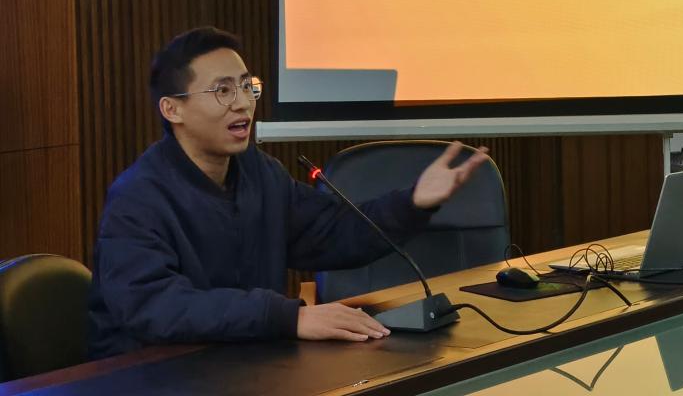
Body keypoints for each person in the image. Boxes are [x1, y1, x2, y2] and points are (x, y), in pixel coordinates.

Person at [87, 27, 489, 359]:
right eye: (222, 91)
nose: (243, 104)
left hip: (242, 361)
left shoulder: (259, 173)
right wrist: (285, 317)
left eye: (246, 86)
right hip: (149, 373)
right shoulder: (137, 197)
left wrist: (414, 202)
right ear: (172, 109)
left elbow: (332, 233)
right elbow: (155, 306)